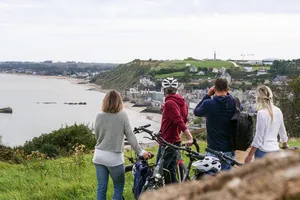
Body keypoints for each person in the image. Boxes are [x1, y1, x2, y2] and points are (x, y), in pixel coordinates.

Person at [92, 90, 152, 200]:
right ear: (119, 102)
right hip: (114, 158)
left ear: (105, 101)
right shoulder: (122, 115)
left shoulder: (99, 115)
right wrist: (141, 152)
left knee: (101, 187)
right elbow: (130, 136)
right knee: (118, 187)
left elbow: (97, 135)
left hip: (99, 156)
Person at [194, 78, 236, 170]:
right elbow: (229, 98)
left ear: (214, 89)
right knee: (227, 181)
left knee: (212, 180)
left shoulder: (208, 104)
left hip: (213, 149)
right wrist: (227, 94)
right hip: (229, 148)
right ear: (228, 89)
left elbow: (196, 111)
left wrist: (208, 95)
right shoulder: (234, 102)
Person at [157, 77, 194, 183]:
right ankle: (174, 193)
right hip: (176, 140)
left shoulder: (169, 104)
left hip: (168, 141)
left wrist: (190, 137)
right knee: (171, 170)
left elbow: (179, 122)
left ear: (163, 90)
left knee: (159, 171)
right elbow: (182, 119)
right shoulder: (183, 103)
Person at [245, 85, 288, 163]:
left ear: (258, 98)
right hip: (275, 151)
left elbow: (258, 138)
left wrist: (249, 155)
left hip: (263, 153)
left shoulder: (261, 113)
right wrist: (285, 145)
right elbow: (282, 132)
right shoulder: (278, 110)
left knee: (261, 175)